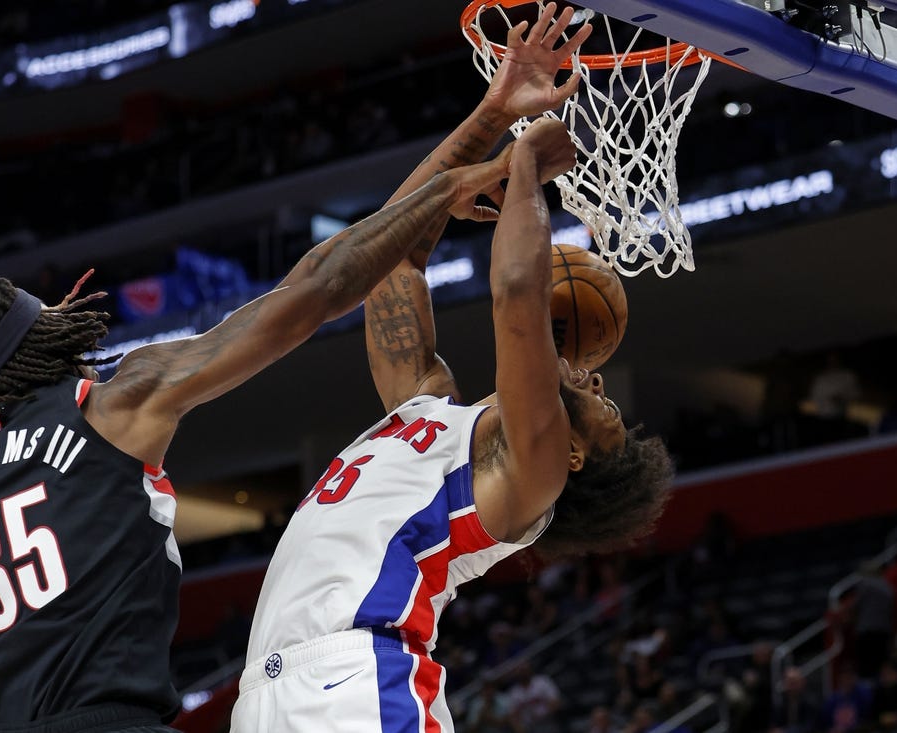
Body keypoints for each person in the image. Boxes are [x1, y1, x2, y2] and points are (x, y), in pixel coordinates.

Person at [0, 139, 510, 730]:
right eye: (50, 318)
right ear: (36, 345)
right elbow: (315, 291)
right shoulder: (114, 406)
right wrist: (442, 191)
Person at [230, 5, 675, 730]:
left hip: (362, 680)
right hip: (272, 692)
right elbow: (391, 254)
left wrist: (526, 160)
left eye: (608, 414)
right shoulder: (428, 404)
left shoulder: (531, 476)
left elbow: (517, 293)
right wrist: (493, 114)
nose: (599, 382)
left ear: (571, 455)